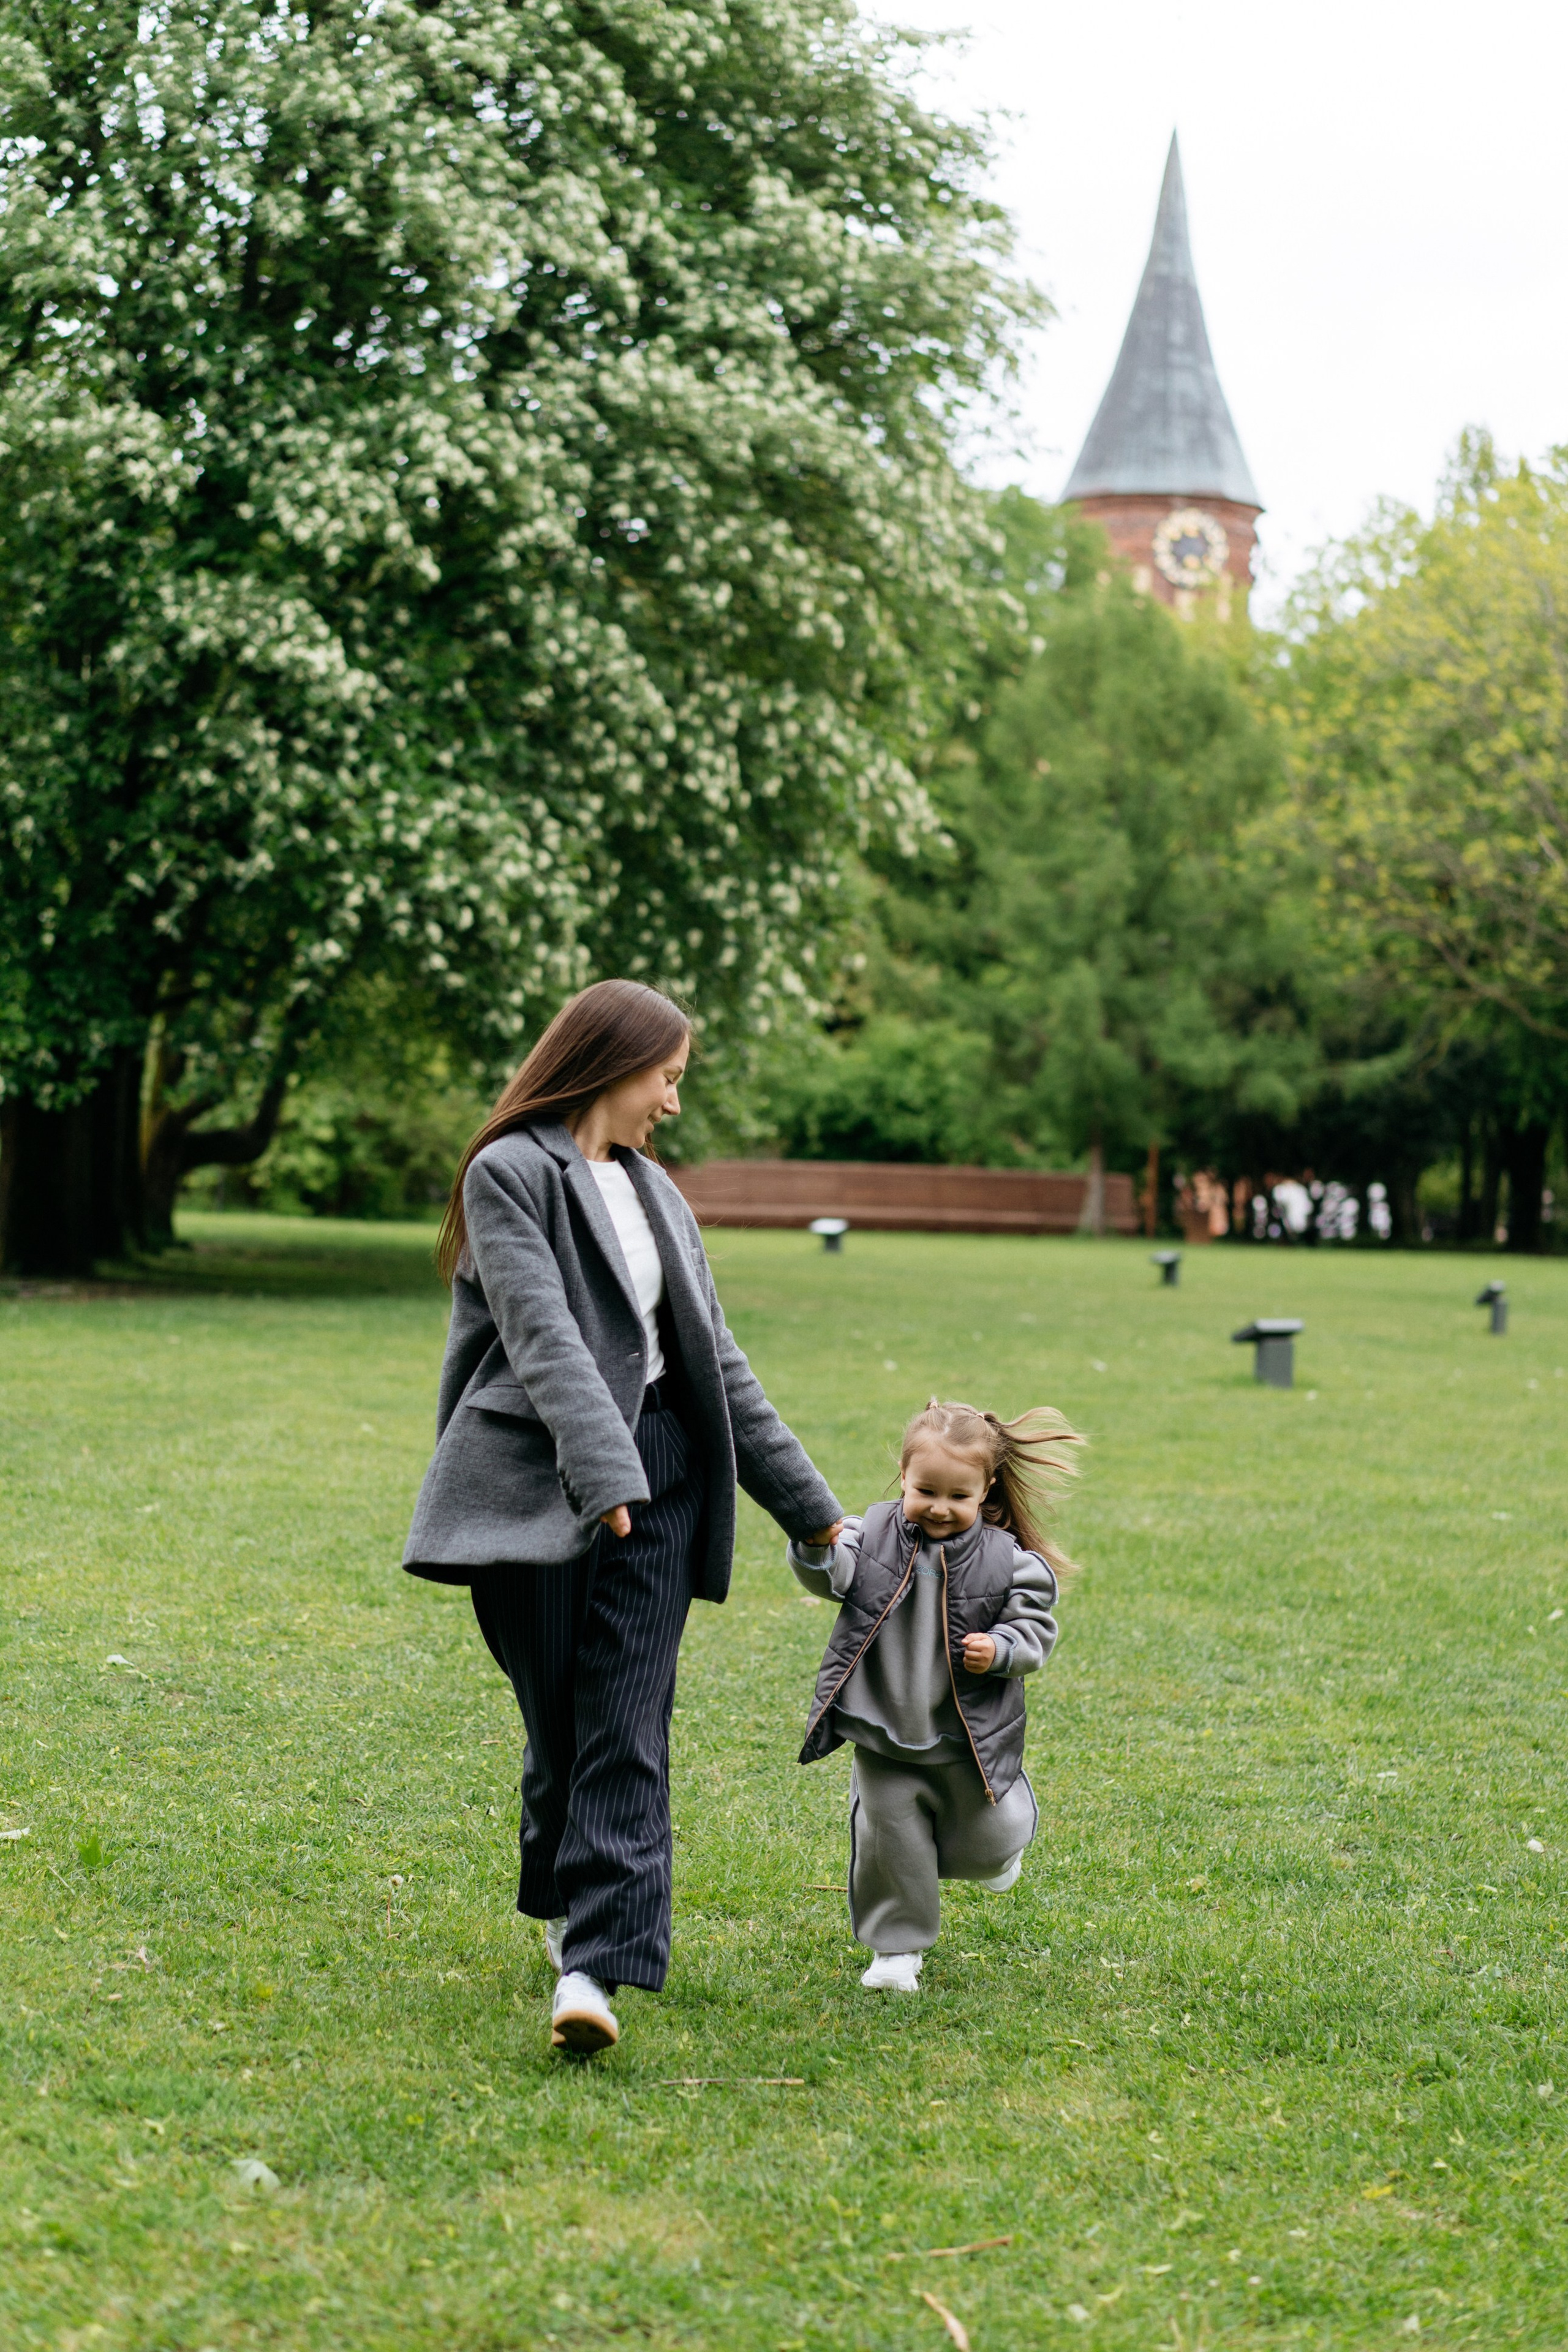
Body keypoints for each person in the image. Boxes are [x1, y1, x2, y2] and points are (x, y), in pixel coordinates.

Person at [404, 980, 843, 2057]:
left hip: (668, 1472)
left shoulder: (659, 1195)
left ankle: (595, 1965)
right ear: (613, 1063)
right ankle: (569, 1906)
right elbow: (542, 1334)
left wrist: (815, 1514)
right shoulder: (511, 1174)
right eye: (669, 1078)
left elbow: (716, 1366)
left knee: (627, 1721)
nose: (674, 1105)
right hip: (535, 1481)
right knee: (561, 1724)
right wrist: (601, 1477)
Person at [788, 1397, 1082, 1992]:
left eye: (958, 1496)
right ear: (903, 1476)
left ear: (986, 1489)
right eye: (925, 1491)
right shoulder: (869, 1536)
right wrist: (815, 1546)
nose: (939, 1509)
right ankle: (896, 1953)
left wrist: (1001, 1650)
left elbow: (1034, 1631)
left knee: (987, 1843)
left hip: (963, 1734)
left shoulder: (1009, 1564)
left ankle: (1003, 1851)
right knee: (890, 1839)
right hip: (883, 1730)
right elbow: (832, 1572)